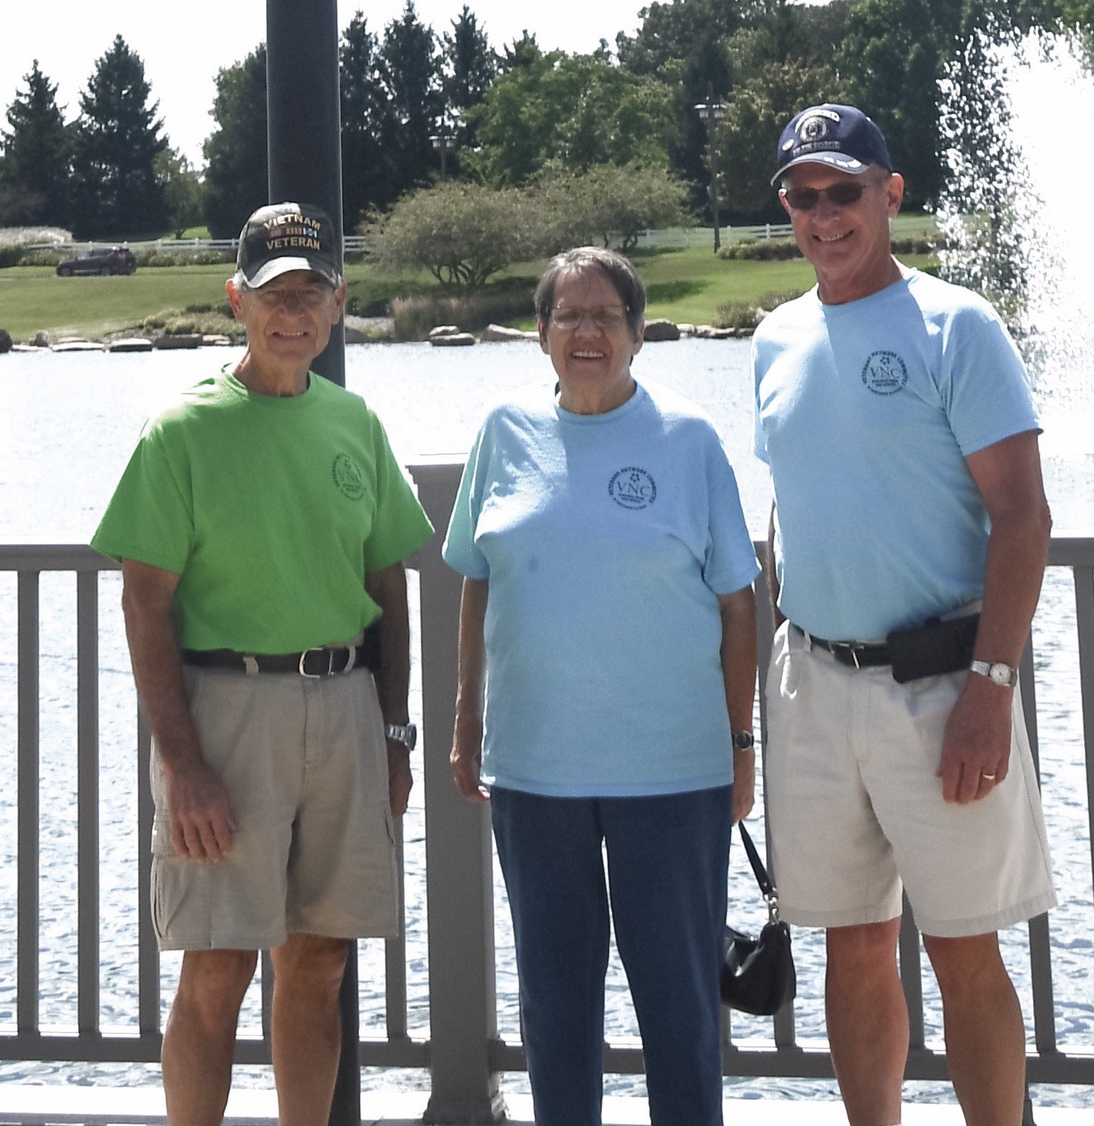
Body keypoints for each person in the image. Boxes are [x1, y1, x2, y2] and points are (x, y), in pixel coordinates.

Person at [91, 201, 433, 1126]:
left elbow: (390, 591)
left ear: (338, 303)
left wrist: (395, 733)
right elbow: (143, 603)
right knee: (219, 965)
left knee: (319, 960)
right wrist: (182, 759)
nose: (295, 312)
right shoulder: (180, 433)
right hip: (225, 714)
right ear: (236, 300)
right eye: (275, 293)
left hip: (348, 710)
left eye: (312, 293)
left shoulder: (354, 422)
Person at [753, 105, 1058, 1126]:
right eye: (804, 194)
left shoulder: (956, 323)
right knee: (852, 941)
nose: (825, 213)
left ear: (891, 192)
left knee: (963, 947)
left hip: (941, 682)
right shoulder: (774, 337)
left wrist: (992, 684)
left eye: (845, 191)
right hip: (811, 683)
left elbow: (1022, 516)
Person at [443, 246, 761, 1126]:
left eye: (606, 316)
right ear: (541, 334)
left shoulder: (689, 440)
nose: (587, 332)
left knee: (681, 1007)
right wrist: (466, 721)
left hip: (671, 774)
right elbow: (477, 577)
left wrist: (741, 744)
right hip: (537, 774)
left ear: (637, 333)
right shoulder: (503, 433)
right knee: (554, 1007)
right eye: (568, 316)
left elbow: (740, 605)